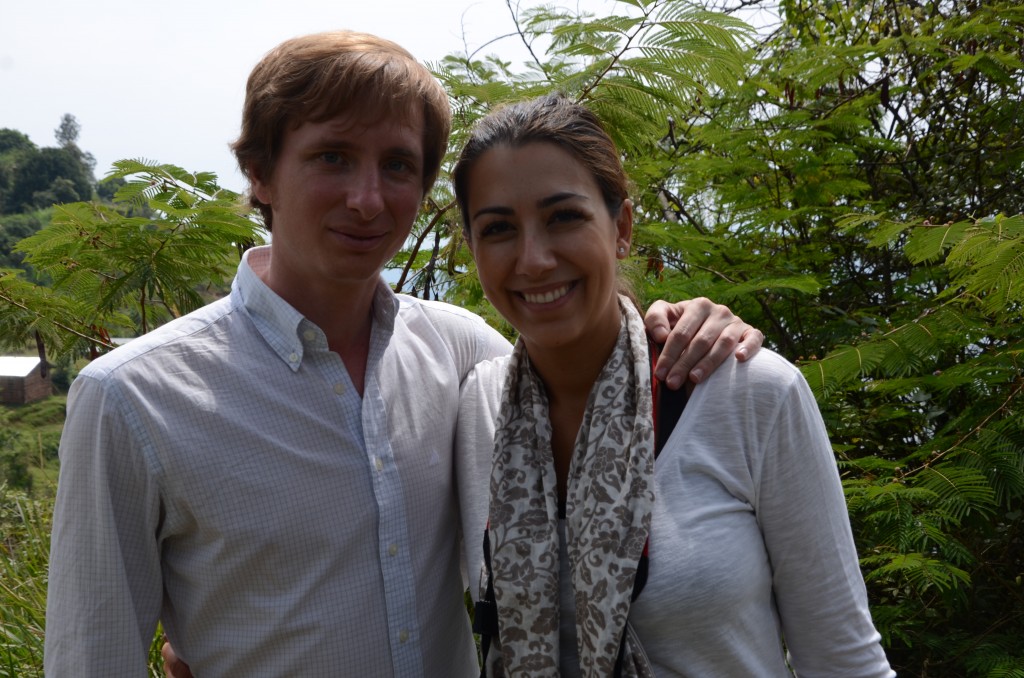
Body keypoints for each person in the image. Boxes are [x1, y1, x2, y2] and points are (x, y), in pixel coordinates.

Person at [44, 31, 763, 676]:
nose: (367, 198)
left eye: (397, 166)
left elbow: (590, 367)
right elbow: (89, 654)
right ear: (260, 173)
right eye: (332, 157)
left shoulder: (464, 359)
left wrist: (678, 325)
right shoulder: (133, 399)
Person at [451, 94, 895, 677]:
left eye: (564, 217)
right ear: (474, 248)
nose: (533, 260)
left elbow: (845, 660)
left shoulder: (750, 393)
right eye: (499, 228)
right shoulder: (476, 406)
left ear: (622, 228)